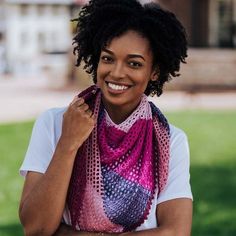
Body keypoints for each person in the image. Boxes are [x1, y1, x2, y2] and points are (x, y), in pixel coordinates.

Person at [19, 0, 193, 235]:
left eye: (134, 63)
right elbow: (36, 228)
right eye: (108, 58)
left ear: (154, 71)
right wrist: (68, 144)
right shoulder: (54, 123)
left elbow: (176, 231)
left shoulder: (170, 141)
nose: (117, 73)